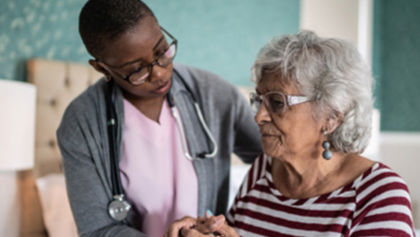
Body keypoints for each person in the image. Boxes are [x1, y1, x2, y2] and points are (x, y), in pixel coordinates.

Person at [166, 31, 415, 236]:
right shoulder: (263, 171)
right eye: (259, 100)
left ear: (330, 117)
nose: (259, 117)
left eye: (277, 102)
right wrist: (207, 231)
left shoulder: (378, 195)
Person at [56, 0, 262, 236]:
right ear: (102, 69)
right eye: (137, 70)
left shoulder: (215, 95)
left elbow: (279, 160)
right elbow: (97, 229)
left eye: (161, 51)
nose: (160, 73)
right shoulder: (82, 124)